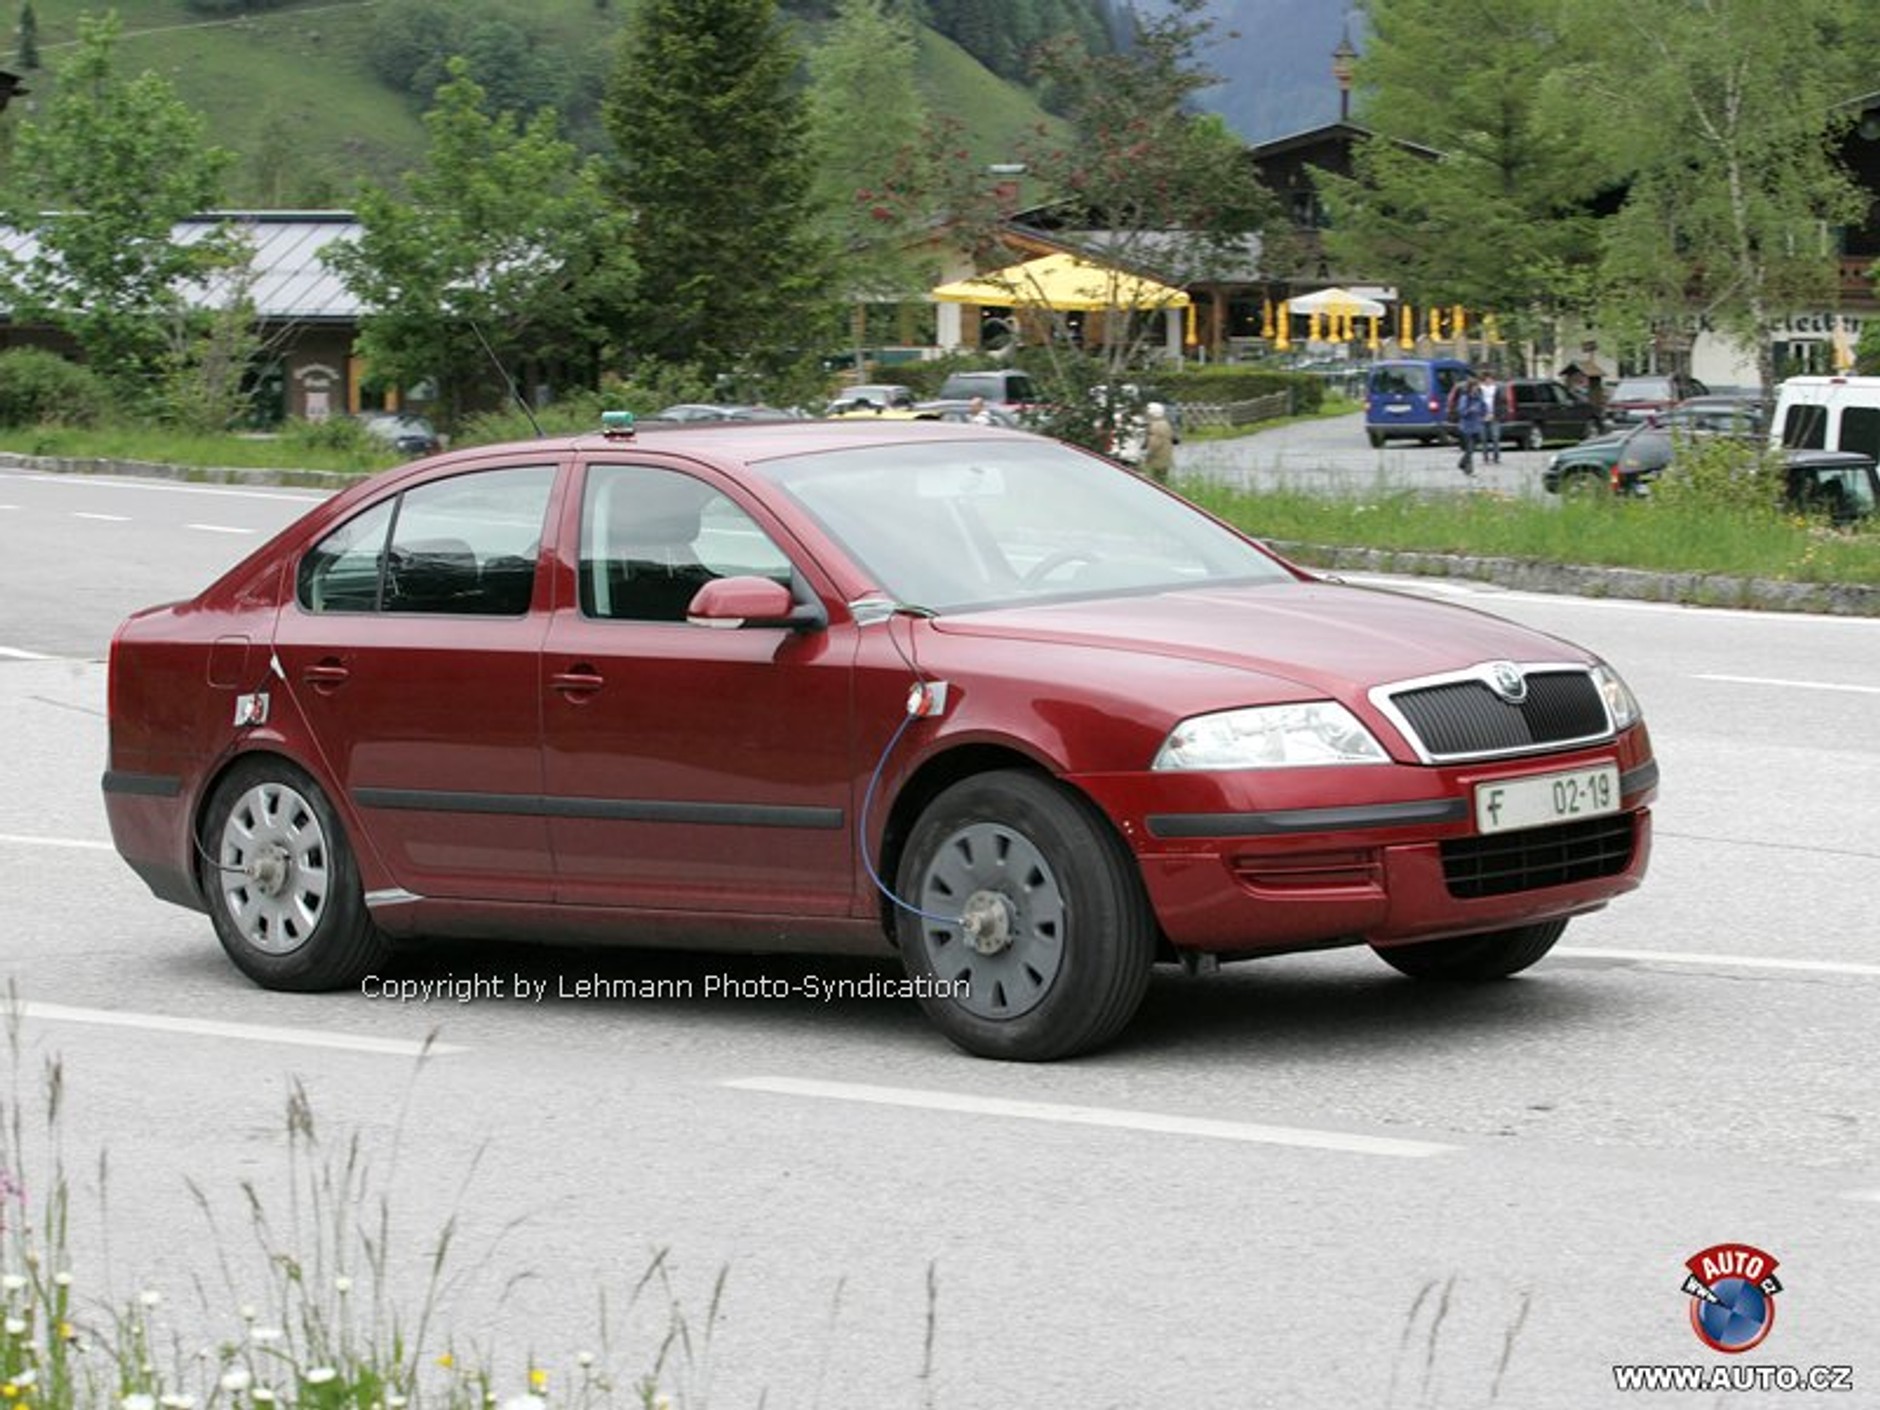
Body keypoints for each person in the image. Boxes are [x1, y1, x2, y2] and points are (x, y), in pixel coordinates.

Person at [1449, 376, 1486, 475]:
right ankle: (1468, 469)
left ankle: (1462, 464)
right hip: (1466, 427)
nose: (1476, 388)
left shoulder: (1479, 397)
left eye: (1477, 387)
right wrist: (1470, 410)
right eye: (1474, 386)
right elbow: (1461, 412)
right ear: (1470, 387)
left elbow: (1483, 408)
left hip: (1477, 426)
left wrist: (1484, 413)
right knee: (1469, 448)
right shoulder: (1465, 398)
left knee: (1473, 448)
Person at [1143, 402, 1175, 482]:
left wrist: (1148, 455)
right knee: (1162, 478)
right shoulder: (1165, 423)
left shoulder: (1155, 425)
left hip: (1157, 458)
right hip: (1165, 457)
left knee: (1156, 480)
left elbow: (1155, 443)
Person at [1477, 371, 1503, 464]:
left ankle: (1496, 457)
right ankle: (1485, 457)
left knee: (1495, 438)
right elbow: (1477, 403)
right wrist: (1482, 414)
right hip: (1482, 417)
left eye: (1490, 379)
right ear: (1483, 380)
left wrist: (1495, 414)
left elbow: (1500, 403)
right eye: (1487, 379)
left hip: (1494, 416)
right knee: (1483, 439)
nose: (1489, 380)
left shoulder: (1496, 389)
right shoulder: (1479, 389)